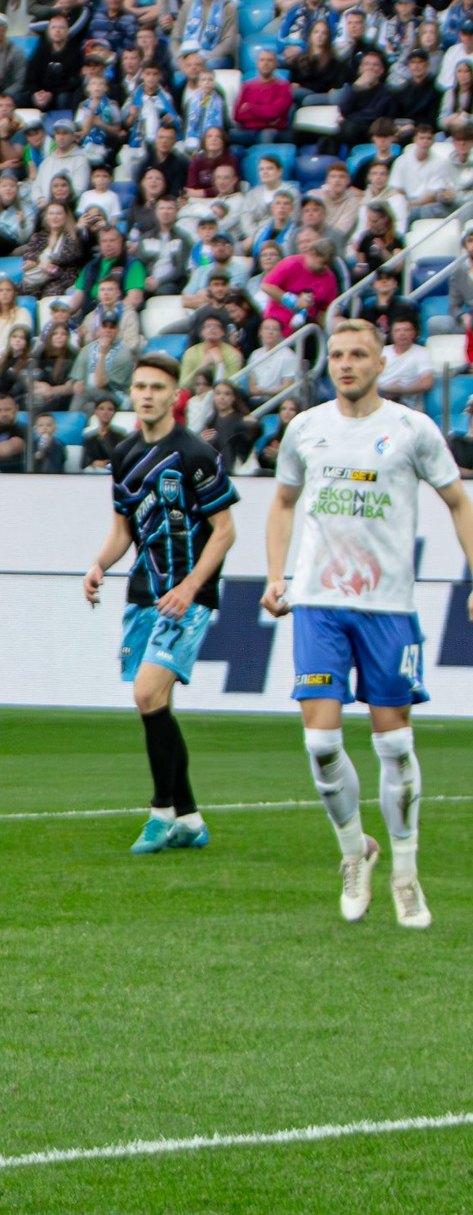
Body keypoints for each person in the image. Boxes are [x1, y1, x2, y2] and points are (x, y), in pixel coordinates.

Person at [262, 318, 473, 930]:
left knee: (394, 744)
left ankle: (406, 871)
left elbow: (459, 503)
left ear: (382, 363)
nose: (346, 364)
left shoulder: (412, 430)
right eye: (337, 355)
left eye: (359, 354)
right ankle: (357, 852)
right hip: (320, 604)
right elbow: (281, 503)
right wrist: (277, 576)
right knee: (321, 742)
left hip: (388, 607)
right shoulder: (306, 428)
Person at [81, 354, 239, 856]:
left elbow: (225, 531)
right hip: (144, 591)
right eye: (141, 387)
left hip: (186, 596)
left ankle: (160, 812)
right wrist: (99, 565)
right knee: (156, 705)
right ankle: (189, 818)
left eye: (157, 388)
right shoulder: (125, 454)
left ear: (176, 396)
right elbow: (122, 529)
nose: (147, 394)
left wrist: (191, 587)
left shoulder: (194, 452)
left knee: (147, 695)